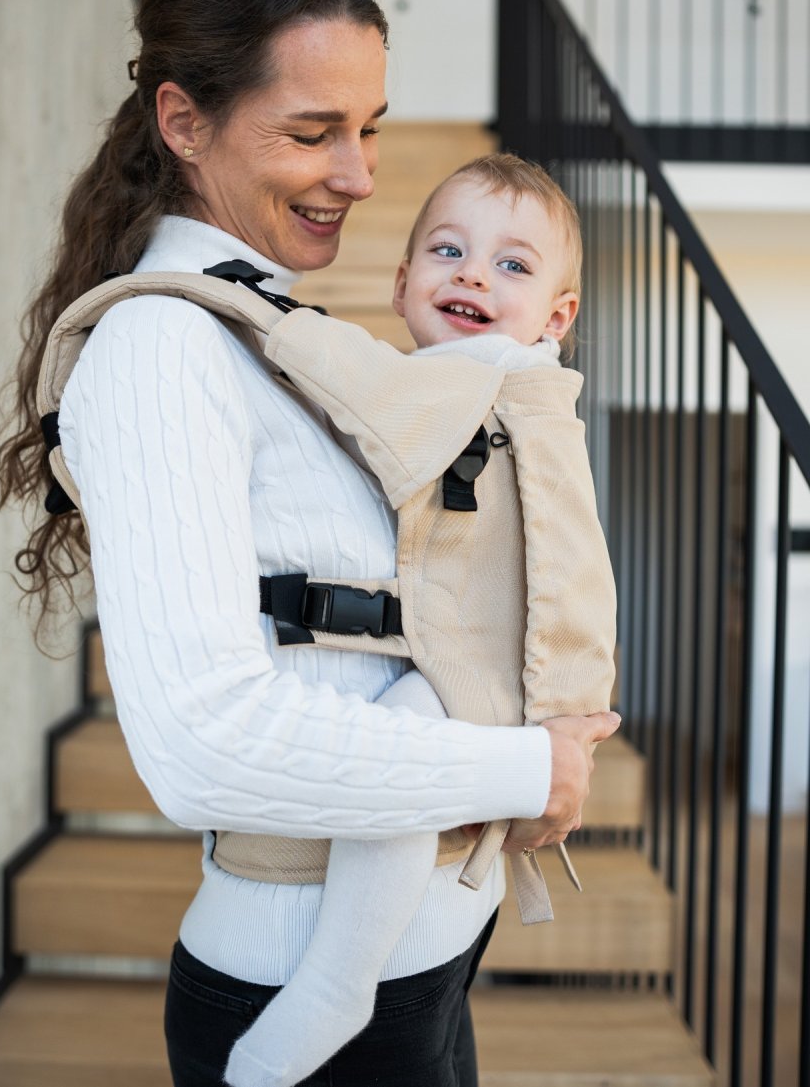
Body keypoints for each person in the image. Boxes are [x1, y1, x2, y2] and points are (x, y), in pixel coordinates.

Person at [0, 0, 620, 1087]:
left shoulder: (284, 336)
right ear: (185, 121)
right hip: (305, 992)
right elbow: (204, 744)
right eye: (312, 132)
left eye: (372, 129)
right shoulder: (160, 347)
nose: (361, 175)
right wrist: (529, 771)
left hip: (426, 963)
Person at [223, 153, 616, 1087]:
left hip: (484, 686)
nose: (475, 274)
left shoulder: (508, 379)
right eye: (449, 250)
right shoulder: (459, 388)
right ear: (402, 287)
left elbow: (575, 563)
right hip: (459, 664)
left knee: (397, 746)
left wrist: (259, 309)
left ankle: (339, 980)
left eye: (514, 267)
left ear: (556, 321)